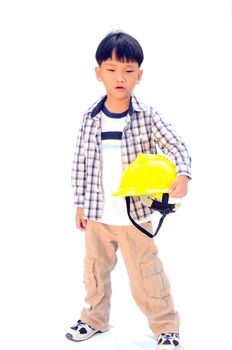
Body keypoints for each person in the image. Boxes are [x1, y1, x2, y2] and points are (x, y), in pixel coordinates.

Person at [66, 31, 191, 350]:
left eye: (128, 70)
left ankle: (166, 325)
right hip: (97, 216)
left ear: (139, 74)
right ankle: (95, 318)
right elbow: (80, 164)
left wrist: (183, 174)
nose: (119, 77)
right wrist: (80, 205)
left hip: (135, 217)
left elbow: (176, 146)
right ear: (98, 73)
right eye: (111, 69)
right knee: (94, 271)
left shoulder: (147, 116)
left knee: (148, 275)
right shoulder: (89, 118)